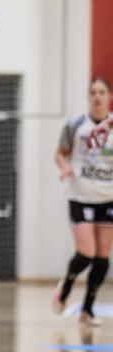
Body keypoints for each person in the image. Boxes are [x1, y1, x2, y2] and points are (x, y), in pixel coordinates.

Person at [53, 78, 113, 326]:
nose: (98, 96)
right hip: (81, 196)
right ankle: (67, 284)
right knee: (87, 252)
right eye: (93, 92)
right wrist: (66, 168)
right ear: (88, 97)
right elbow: (59, 154)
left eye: (102, 92)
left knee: (102, 257)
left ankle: (87, 310)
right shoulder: (75, 125)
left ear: (109, 97)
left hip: (108, 198)